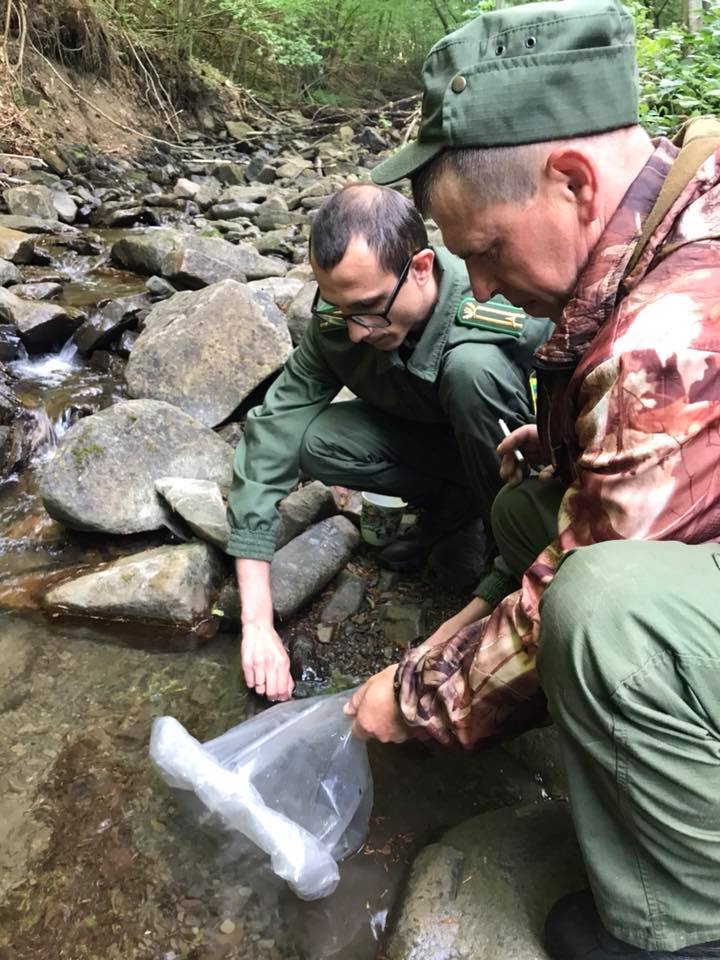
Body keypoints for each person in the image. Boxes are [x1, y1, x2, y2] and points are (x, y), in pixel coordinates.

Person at [345, 1, 720, 958]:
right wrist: (563, 454)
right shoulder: (684, 194)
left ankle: (685, 927)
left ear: (572, 181)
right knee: (527, 506)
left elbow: (590, 561)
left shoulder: (666, 339)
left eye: (486, 251)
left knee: (601, 604)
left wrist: (419, 694)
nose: (480, 287)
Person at [226, 183, 551, 703]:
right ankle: (451, 511)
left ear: (420, 267)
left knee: (474, 371)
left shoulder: (502, 301)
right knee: (315, 440)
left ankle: (501, 545)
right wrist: (257, 623)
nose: (356, 332)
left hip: (507, 459)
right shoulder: (343, 318)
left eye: (370, 308)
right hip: (439, 455)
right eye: (340, 309)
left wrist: (504, 587)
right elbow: (271, 436)